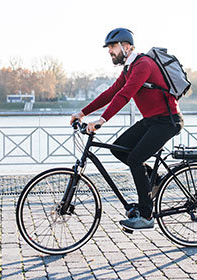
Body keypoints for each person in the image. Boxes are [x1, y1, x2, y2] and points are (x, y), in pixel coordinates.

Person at [70, 28, 184, 230]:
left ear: (127, 46)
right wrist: (83, 113)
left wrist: (102, 120)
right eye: (109, 48)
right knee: (118, 148)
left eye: (112, 46)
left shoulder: (143, 65)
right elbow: (111, 93)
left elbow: (125, 95)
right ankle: (154, 178)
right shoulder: (129, 69)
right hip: (151, 120)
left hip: (167, 122)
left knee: (135, 159)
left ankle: (146, 216)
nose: (109, 51)